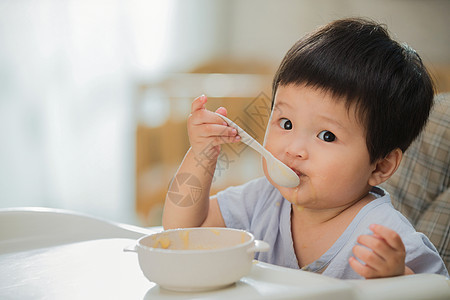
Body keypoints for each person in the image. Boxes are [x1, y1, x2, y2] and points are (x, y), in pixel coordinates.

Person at [162, 18, 449, 279]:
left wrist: (398, 278)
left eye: (326, 136)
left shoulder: (384, 236)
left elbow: (435, 290)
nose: (294, 148)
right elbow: (182, 233)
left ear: (380, 166)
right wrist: (201, 157)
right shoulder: (261, 201)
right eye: (286, 123)